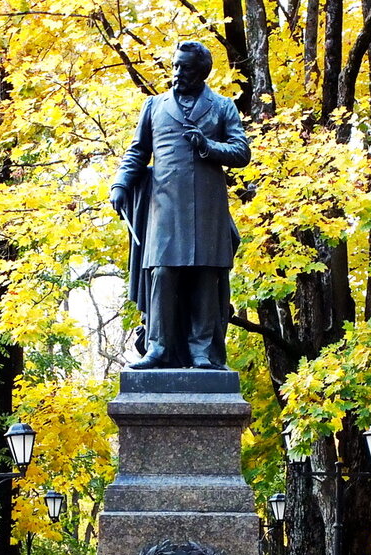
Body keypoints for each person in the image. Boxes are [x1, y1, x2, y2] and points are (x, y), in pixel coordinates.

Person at [110, 40, 251, 371]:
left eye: (185, 67)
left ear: (201, 71)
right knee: (163, 273)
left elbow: (241, 152)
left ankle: (202, 350)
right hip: (165, 208)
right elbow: (137, 151)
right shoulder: (154, 107)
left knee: (205, 275)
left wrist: (208, 146)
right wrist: (120, 183)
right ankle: (158, 347)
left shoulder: (222, 107)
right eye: (175, 65)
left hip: (207, 208)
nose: (177, 73)